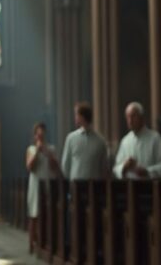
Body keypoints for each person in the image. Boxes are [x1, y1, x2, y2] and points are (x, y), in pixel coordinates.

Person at [113, 102, 161, 179]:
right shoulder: (125, 141)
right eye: (128, 117)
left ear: (142, 117)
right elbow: (116, 168)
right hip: (130, 184)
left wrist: (147, 171)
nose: (130, 121)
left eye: (133, 116)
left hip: (150, 183)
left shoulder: (155, 138)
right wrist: (124, 166)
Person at [25, 122, 59, 253]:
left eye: (42, 134)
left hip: (48, 182)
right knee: (34, 214)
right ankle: (31, 244)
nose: (40, 137)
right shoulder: (31, 149)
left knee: (47, 213)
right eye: (38, 134)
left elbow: (55, 168)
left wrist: (48, 154)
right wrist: (37, 152)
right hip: (35, 184)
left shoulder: (51, 149)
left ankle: (46, 243)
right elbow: (29, 167)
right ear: (35, 136)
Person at [60, 102, 108, 180]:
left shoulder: (100, 141)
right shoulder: (71, 138)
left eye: (76, 114)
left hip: (94, 185)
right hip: (75, 184)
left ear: (82, 117)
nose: (75, 117)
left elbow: (104, 168)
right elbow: (65, 166)